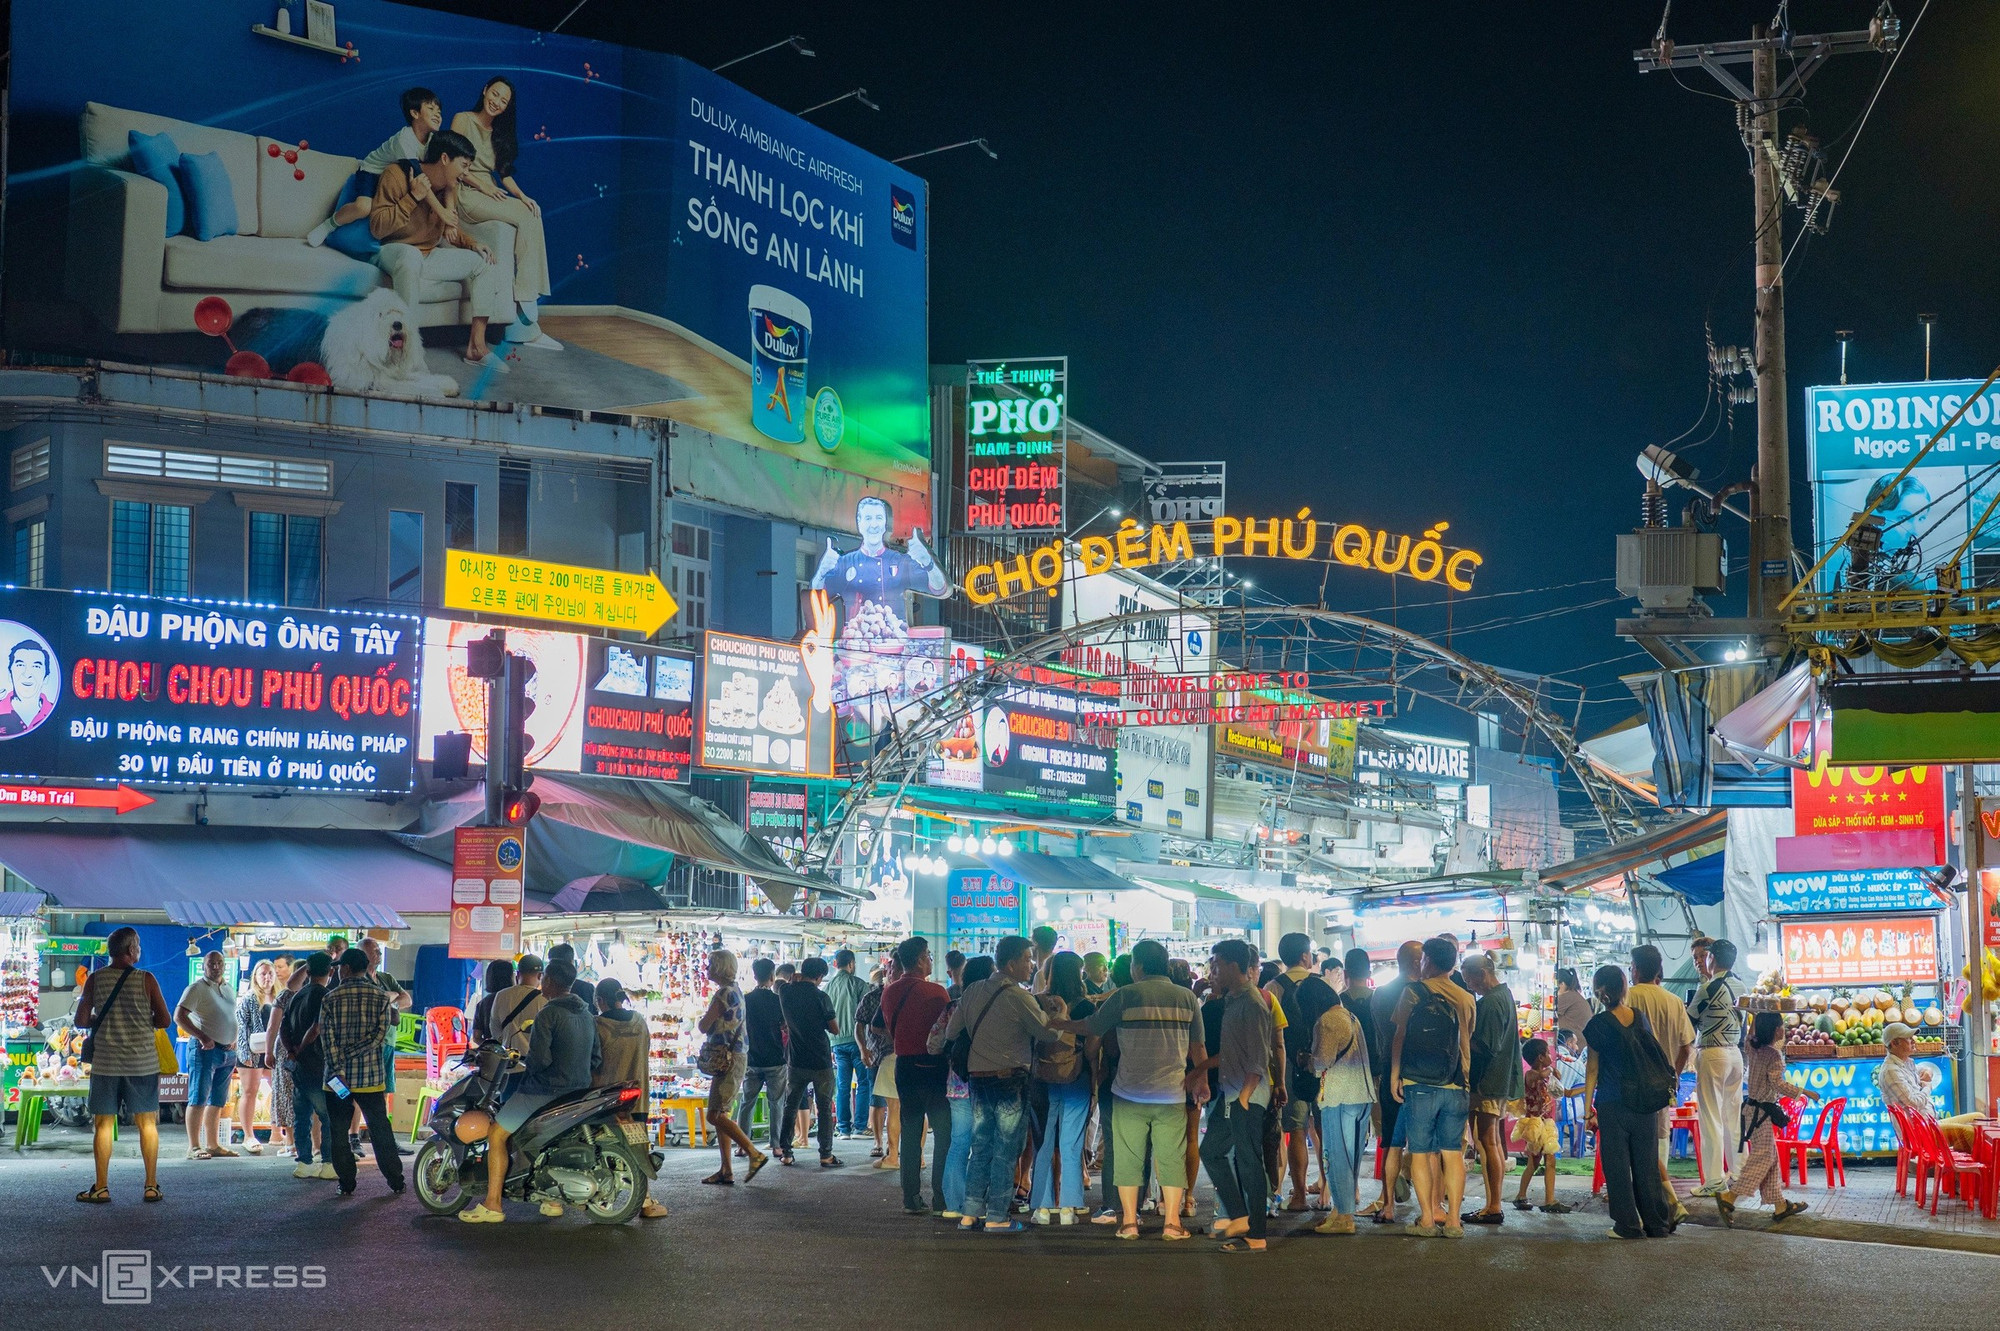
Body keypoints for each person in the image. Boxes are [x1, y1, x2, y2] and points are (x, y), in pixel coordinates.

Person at [1056, 939, 1206, 1241]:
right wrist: (1200, 1082)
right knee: (1170, 1159)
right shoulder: (1186, 998)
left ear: (1137, 966)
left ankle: (1128, 1223)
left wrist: (1060, 1023)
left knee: (1127, 1158)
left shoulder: (1125, 995)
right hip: (1171, 1093)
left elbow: (1093, 1026)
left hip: (1129, 1092)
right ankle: (1173, 1224)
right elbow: (1197, 1048)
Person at [462, 958, 598, 1223]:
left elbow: (539, 1061)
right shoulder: (586, 1013)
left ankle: (492, 1204)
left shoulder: (548, 1013)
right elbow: (595, 1059)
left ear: (549, 980)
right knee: (543, 1141)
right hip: (578, 1089)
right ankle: (550, 1199)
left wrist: (528, 1067)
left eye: (545, 977)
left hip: (543, 1089)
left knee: (497, 1133)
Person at [945, 935, 1059, 1234]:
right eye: (1027, 959)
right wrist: (1056, 1013)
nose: (1031, 965)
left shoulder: (971, 992)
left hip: (978, 1081)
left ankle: (970, 1213)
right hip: (1010, 1080)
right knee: (1006, 1149)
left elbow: (953, 1030)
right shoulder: (1020, 997)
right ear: (1011, 963)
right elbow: (1048, 1034)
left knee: (981, 1146)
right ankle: (996, 1215)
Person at [368, 130, 509, 365]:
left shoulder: (446, 191)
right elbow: (377, 228)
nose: (466, 174)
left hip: (427, 256)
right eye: (463, 166)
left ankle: (476, 346)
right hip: (391, 251)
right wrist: (413, 197)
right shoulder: (397, 174)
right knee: (410, 254)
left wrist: (474, 244)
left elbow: (449, 230)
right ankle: (409, 353)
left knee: (483, 264)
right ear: (444, 158)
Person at [449, 77, 560, 348]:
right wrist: (483, 186)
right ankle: (527, 293)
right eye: (495, 94)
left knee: (531, 212)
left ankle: (526, 293)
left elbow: (504, 174)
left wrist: (523, 196)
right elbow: (452, 163)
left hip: (489, 192)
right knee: (524, 215)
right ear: (485, 89)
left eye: (504, 100)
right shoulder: (462, 120)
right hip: (466, 193)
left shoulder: (499, 132)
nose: (497, 102)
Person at [1187, 939, 1273, 1251]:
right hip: (1230, 1092)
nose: (1212, 972)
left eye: (1217, 965)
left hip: (1245, 1096)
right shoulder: (1232, 1001)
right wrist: (1200, 1070)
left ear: (1235, 966)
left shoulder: (1251, 1002)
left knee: (1249, 1161)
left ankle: (1257, 1235)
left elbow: (1257, 1058)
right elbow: (1231, 1052)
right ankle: (1239, 1216)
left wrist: (1247, 1096)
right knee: (1212, 1150)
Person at [73, 927, 169, 1204]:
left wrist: (102, 1019)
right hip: (142, 1063)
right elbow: (164, 1020)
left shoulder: (95, 979)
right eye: (137, 945)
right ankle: (151, 1186)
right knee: (147, 1123)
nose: (139, 949)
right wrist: (140, 1019)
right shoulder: (146, 979)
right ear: (130, 950)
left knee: (103, 1124)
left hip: (106, 1062)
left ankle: (101, 1187)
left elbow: (81, 1020)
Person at [1390, 936, 1476, 1238]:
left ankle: (1426, 1219)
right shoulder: (1466, 998)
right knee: (1452, 1153)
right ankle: (1453, 1221)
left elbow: (1399, 1035)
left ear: (1428, 960)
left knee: (1421, 1151)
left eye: (1423, 958)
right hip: (1457, 1083)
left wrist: (1395, 1076)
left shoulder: (1413, 992)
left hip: (1419, 1083)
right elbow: (1468, 1040)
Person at [1583, 964, 1673, 1239]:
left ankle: (1628, 1225)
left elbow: (1593, 1070)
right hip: (1645, 1100)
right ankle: (1656, 1223)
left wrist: (1588, 1108)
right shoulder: (1640, 1017)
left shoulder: (1597, 1025)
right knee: (1647, 1162)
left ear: (1599, 992)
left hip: (1613, 1100)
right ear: (1624, 988)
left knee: (1617, 1165)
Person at [314, 948, 404, 1198]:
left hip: (336, 1080)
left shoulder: (330, 998)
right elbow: (379, 1037)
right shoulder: (381, 997)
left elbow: (327, 1040)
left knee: (338, 1130)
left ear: (345, 969)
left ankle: (347, 1182)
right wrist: (355, 1052)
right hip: (371, 1079)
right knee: (379, 1129)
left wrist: (340, 1063)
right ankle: (395, 1179)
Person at [1715, 1010, 1817, 1225]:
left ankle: (1779, 1204)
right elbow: (1778, 1084)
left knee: (1770, 1156)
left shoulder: (1755, 1048)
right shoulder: (1773, 1055)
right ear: (1777, 1030)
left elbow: (1749, 1038)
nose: (1784, 1030)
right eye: (1782, 1026)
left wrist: (1753, 1017)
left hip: (1753, 1110)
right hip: (1762, 1112)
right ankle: (1729, 1197)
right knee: (1763, 1156)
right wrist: (1806, 1092)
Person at [307, 87, 443, 243]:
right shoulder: (405, 138)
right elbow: (419, 176)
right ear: (415, 113)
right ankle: (328, 226)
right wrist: (442, 212)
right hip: (372, 171)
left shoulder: (434, 140)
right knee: (363, 207)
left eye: (439, 111)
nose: (437, 114)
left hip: (393, 177)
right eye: (431, 109)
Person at [1265, 931, 1337, 1213]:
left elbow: (1269, 1033)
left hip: (1289, 1068)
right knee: (1323, 1128)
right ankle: (1326, 1191)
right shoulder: (1323, 986)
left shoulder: (1273, 986)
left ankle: (1299, 1196)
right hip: (1322, 1067)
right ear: (1305, 956)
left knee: (1295, 1130)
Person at [882, 936, 953, 1212]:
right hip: (933, 1068)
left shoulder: (889, 992)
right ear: (922, 958)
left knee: (910, 1133)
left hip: (904, 1067)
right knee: (944, 1133)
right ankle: (941, 1197)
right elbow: (945, 1033)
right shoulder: (936, 993)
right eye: (930, 956)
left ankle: (911, 1198)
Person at [1627, 943, 1695, 1220]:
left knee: (1635, 1142)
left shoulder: (1627, 996)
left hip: (1632, 1082)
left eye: (1631, 967)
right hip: (1663, 1082)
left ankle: (1654, 1203)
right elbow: (1686, 1046)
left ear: (1638, 969)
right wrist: (1674, 1074)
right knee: (1660, 1138)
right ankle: (1661, 1200)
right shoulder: (1674, 1001)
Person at [594, 979, 670, 1217]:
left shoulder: (598, 1024)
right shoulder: (639, 1021)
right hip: (638, 1096)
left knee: (603, 1147)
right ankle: (645, 1199)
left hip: (607, 1097)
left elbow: (593, 1061)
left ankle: (605, 1198)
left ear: (600, 1001)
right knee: (638, 1146)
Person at [1030, 951, 1095, 1224]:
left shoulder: (1036, 1002)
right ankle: (1069, 1207)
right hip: (1076, 1077)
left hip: (1041, 1078)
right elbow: (1092, 1047)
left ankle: (1042, 1207)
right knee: (1071, 1142)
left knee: (1043, 1141)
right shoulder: (1086, 1007)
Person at [1309, 968, 1374, 1236]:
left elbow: (1322, 1061)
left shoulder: (1326, 1021)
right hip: (1362, 1093)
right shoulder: (1351, 1016)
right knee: (1352, 1157)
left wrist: (1306, 1061)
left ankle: (1344, 1216)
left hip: (1338, 1095)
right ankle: (1339, 1210)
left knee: (1336, 1156)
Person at [1363, 939, 1423, 1223]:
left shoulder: (1381, 994)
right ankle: (1434, 1205)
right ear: (1415, 962)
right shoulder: (1422, 992)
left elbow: (1381, 1036)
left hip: (1389, 1068)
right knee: (1427, 1142)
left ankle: (1388, 1203)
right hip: (1421, 1071)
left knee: (1390, 1138)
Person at [694, 950, 766, 1186]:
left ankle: (753, 1152)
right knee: (720, 1113)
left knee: (715, 1114)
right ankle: (726, 1170)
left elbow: (704, 1026)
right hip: (733, 1056)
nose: (706, 970)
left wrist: (700, 1021)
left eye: (710, 965)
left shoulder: (723, 994)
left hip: (728, 1057)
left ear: (719, 968)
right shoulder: (736, 991)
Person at [1461, 952, 1522, 1225]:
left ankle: (1494, 1205)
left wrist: (1461, 1036)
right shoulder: (1504, 996)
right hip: (1496, 1080)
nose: (1470, 987)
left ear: (1482, 974)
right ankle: (1492, 1204)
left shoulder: (1493, 1002)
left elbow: (1486, 1046)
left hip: (1487, 1081)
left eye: (1470, 981)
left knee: (1487, 1141)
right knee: (1491, 1141)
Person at [933, 955, 990, 1219]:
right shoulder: (998, 1005)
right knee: (985, 1144)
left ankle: (954, 1204)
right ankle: (978, 1203)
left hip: (957, 1084)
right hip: (989, 1081)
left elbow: (933, 1043)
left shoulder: (953, 1007)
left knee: (958, 1143)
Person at [1689, 937, 1748, 1183]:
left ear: (1713, 958)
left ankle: (1713, 1180)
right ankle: (1741, 1172)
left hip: (1713, 1053)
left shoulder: (1709, 987)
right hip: (1735, 1055)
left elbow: (1689, 1022)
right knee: (1733, 1117)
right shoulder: (1742, 987)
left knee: (1711, 1118)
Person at [174, 950, 240, 1160]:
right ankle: (193, 1146)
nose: (216, 967)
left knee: (218, 1100)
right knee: (198, 1098)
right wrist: (202, 1037)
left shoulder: (229, 988)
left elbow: (230, 1017)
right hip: (205, 1050)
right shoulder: (196, 989)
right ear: (203, 966)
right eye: (211, 963)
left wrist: (233, 1039)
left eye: (219, 963)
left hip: (227, 1052)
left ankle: (213, 1144)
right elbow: (179, 1016)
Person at [778, 956, 840, 1168]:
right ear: (820, 976)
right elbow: (834, 1029)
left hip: (796, 1059)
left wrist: (794, 979)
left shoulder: (785, 992)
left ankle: (786, 1152)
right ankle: (826, 1155)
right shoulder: (821, 997)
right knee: (823, 1108)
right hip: (821, 1059)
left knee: (790, 1106)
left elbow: (780, 984)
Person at [279, 952, 336, 1179]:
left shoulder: (296, 995)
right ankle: (329, 1163)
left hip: (299, 1069)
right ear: (331, 972)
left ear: (308, 972)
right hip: (319, 1065)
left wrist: (292, 1052)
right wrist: (301, 1050)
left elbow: (284, 1028)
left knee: (301, 1116)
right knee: (328, 1117)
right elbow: (316, 1028)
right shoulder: (325, 995)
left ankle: (304, 1162)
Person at [1877, 1022, 1979, 1147]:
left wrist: (1928, 1071)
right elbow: (1913, 1102)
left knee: (1978, 1118)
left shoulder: (1904, 1063)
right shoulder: (1891, 1071)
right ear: (1894, 1043)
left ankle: (1952, 1163)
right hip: (1920, 1132)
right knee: (1971, 1132)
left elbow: (1920, 1072)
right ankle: (1957, 1165)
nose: (1913, 1041)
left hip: (1930, 1124)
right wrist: (1927, 1087)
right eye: (1908, 1038)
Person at [360, 938, 413, 1157]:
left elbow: (407, 999)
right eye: (374, 951)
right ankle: (355, 1137)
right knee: (360, 1092)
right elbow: (370, 1001)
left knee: (384, 1092)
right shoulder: (359, 979)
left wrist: (386, 999)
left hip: (388, 1042)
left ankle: (383, 1138)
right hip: (369, 1044)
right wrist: (388, 998)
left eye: (378, 951)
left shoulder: (385, 977)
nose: (378, 954)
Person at [739, 957, 790, 1160]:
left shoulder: (746, 1000)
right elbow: (785, 1026)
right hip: (776, 1059)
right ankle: (776, 1145)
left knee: (747, 1102)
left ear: (754, 975)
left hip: (751, 1059)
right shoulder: (778, 1001)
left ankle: (743, 1144)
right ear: (772, 976)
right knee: (776, 1103)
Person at [1512, 1038, 1567, 1212]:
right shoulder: (1531, 1074)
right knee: (1534, 1163)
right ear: (1540, 1057)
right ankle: (1531, 1197)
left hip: (1545, 1125)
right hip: (1535, 1125)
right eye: (1548, 1053)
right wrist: (1551, 1069)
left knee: (1547, 1160)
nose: (1551, 1056)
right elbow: (1540, 1075)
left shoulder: (1545, 1078)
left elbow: (1564, 1093)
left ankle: (1540, 1198)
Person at [231, 959, 277, 1154]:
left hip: (273, 1050)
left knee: (278, 1089)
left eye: (270, 973)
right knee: (250, 1090)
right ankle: (248, 1135)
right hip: (251, 1050)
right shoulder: (249, 998)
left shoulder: (279, 997)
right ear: (255, 977)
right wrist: (244, 1052)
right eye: (262, 974)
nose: (266, 977)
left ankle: (277, 1132)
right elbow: (241, 1027)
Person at [825, 948, 871, 1140]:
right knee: (863, 1083)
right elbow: (869, 1014)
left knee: (842, 1085)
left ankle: (843, 1128)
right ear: (851, 964)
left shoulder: (827, 988)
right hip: (858, 1042)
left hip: (835, 1043)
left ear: (835, 964)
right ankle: (860, 1127)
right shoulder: (859, 984)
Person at [265, 960, 301, 1159]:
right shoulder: (319, 993)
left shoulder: (285, 995)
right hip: (308, 1049)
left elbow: (273, 1027)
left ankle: (291, 1143)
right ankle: (312, 1144)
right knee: (305, 1094)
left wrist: (268, 1052)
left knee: (285, 1094)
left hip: (285, 1049)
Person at [492, 954, 546, 1054]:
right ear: (540, 976)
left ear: (517, 974)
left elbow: (495, 1029)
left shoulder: (501, 995)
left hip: (508, 1059)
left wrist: (506, 1041)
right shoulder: (544, 999)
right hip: (532, 1059)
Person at [470, 959, 515, 1045]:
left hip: (493, 1055)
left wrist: (493, 1047)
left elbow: (476, 1037)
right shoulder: (515, 998)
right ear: (510, 977)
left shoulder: (483, 1003)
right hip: (515, 1051)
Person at [1554, 967, 1593, 1043]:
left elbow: (1547, 1012)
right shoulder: (1574, 995)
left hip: (1575, 1044)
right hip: (1581, 1042)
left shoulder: (1566, 997)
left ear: (1562, 984)